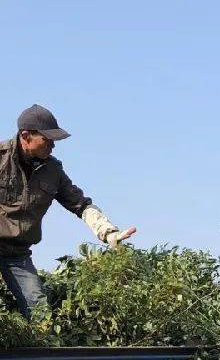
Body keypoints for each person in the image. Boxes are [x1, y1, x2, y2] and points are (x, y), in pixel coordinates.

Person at [1, 105, 136, 316]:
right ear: (26, 136)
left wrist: (109, 233)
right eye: (47, 139)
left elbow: (81, 204)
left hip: (16, 254)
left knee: (39, 312)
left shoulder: (53, 170)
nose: (53, 146)